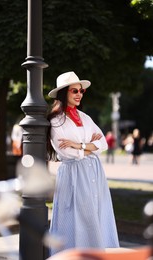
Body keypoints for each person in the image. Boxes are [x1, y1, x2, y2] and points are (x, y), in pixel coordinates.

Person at [47, 71, 119, 256]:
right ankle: (71, 255)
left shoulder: (85, 117)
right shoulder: (56, 121)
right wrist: (89, 147)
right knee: (75, 217)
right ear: (64, 93)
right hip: (73, 174)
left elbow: (102, 143)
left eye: (81, 91)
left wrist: (79, 145)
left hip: (94, 172)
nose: (79, 94)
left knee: (97, 213)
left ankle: (96, 254)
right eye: (74, 91)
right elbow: (65, 151)